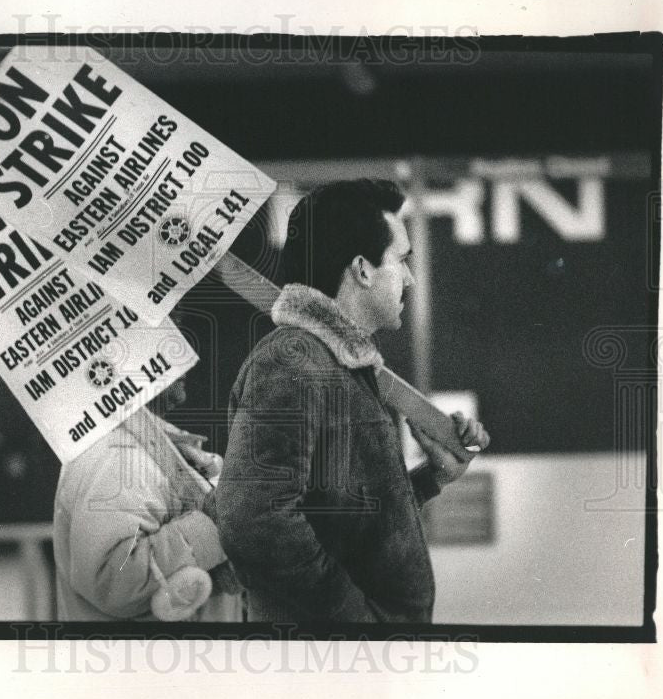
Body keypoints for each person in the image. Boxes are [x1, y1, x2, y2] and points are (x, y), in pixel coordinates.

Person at [211, 179, 490, 623]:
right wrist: (356, 622)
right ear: (362, 269)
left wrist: (432, 478)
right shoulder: (292, 362)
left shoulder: (336, 366)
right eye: (401, 261)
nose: (411, 278)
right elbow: (253, 521)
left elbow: (347, 520)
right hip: (330, 669)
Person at [53, 364, 241, 622]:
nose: (186, 353)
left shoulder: (136, 444)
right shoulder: (116, 454)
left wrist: (216, 577)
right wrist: (216, 523)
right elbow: (112, 581)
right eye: (166, 333)